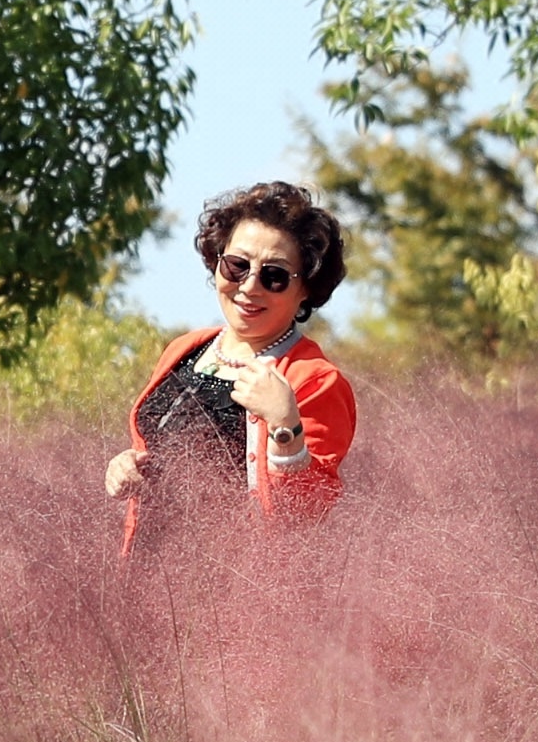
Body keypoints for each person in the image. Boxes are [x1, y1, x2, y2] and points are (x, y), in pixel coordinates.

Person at [107, 181, 357, 545]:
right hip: (149, 572)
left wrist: (285, 425)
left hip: (237, 589)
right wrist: (125, 465)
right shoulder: (185, 349)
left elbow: (307, 514)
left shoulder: (315, 379)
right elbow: (158, 450)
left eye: (274, 276)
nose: (249, 286)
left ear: (306, 288)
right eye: (237, 265)